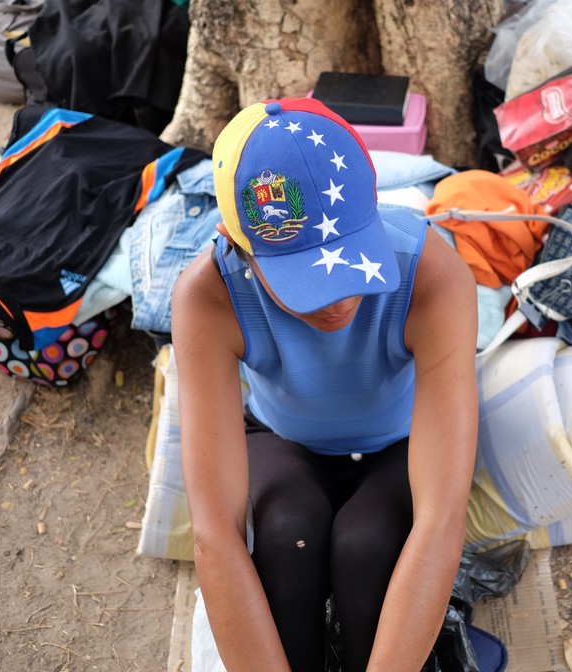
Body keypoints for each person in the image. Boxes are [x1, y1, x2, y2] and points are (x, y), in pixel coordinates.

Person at [170, 98, 480, 671]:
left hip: (401, 443)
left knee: (368, 547)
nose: (337, 299)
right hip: (282, 437)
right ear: (237, 247)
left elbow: (441, 518)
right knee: (290, 537)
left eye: (350, 258)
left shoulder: (432, 275)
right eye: (303, 276)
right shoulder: (208, 295)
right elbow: (215, 533)